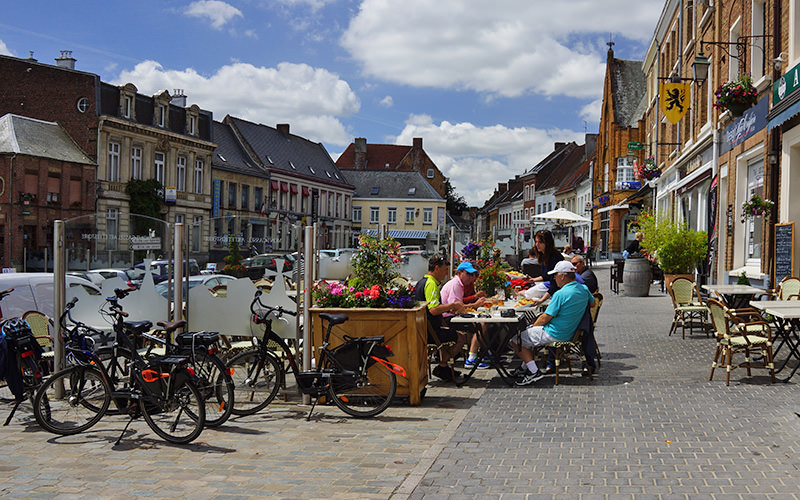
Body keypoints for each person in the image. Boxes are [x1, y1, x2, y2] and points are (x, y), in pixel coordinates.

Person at [512, 261, 595, 386]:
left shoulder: (560, 294)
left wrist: (534, 326)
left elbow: (545, 318)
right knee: (527, 336)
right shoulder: (583, 289)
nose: (554, 278)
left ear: (562, 276)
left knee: (516, 339)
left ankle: (534, 372)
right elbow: (592, 303)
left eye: (555, 275)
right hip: (571, 332)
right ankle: (525, 368)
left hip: (555, 332)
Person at [414, 255, 467, 382]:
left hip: (422, 328)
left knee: (448, 334)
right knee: (461, 337)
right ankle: (442, 366)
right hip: (430, 332)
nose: (446, 274)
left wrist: (448, 309)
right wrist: (453, 305)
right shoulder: (431, 284)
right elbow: (433, 310)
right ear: (436, 268)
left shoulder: (422, 281)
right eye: (445, 270)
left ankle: (444, 368)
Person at [441, 262, 488, 369]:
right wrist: (475, 305)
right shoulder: (456, 284)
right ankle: (472, 358)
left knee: (484, 323)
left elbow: (459, 306)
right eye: (468, 274)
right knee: (482, 324)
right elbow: (455, 308)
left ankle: (486, 353)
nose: (471, 277)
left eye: (472, 275)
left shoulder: (459, 284)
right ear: (460, 273)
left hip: (451, 316)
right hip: (448, 318)